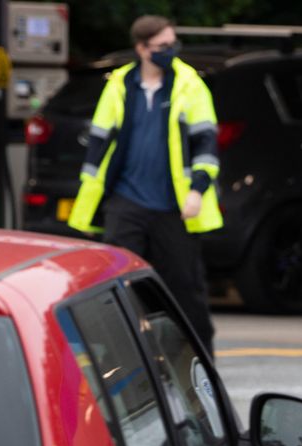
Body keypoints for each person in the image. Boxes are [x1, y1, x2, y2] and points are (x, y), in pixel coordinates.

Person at [68, 14, 220, 355]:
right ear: (142, 48)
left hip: (174, 206)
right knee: (115, 288)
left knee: (185, 290)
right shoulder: (121, 84)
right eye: (163, 46)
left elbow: (206, 144)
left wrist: (197, 189)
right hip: (126, 201)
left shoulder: (188, 83)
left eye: (173, 44)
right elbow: (98, 143)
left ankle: (198, 362)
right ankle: (121, 360)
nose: (172, 51)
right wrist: (93, 205)